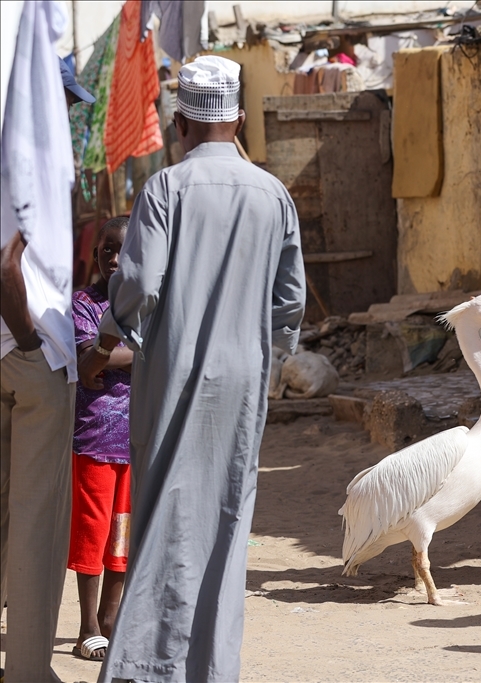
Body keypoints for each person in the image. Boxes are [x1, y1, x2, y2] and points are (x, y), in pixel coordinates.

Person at [79, 55, 306, 683]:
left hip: (173, 376)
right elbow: (289, 304)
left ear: (180, 123)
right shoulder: (273, 194)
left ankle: (144, 668)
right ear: (237, 119)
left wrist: (104, 344)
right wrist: (268, 352)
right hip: (244, 381)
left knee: (164, 514)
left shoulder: (164, 190)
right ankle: (210, 667)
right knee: (226, 519)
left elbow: (137, 287)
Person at [0, 8, 93, 676]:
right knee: (35, 524)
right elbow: (6, 263)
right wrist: (30, 343)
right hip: (26, 353)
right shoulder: (24, 155)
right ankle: (29, 666)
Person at [68, 217, 132, 662]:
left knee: (121, 533)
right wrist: (140, 353)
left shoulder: (147, 305)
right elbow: (87, 363)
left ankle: (112, 621)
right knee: (92, 531)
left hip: (138, 439)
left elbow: (103, 359)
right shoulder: (83, 305)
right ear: (96, 256)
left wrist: (111, 356)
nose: (113, 258)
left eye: (123, 250)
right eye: (106, 250)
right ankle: (87, 625)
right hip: (94, 438)